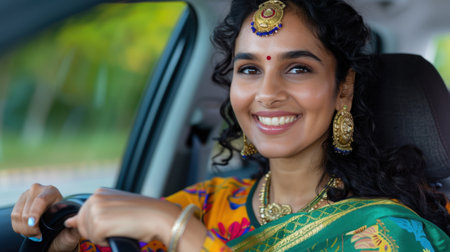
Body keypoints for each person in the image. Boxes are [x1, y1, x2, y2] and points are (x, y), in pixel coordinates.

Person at [11, 0, 450, 251]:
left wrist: (179, 232)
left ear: (343, 90)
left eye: (298, 69)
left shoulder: (389, 230)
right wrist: (63, 230)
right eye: (249, 70)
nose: (267, 93)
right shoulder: (208, 202)